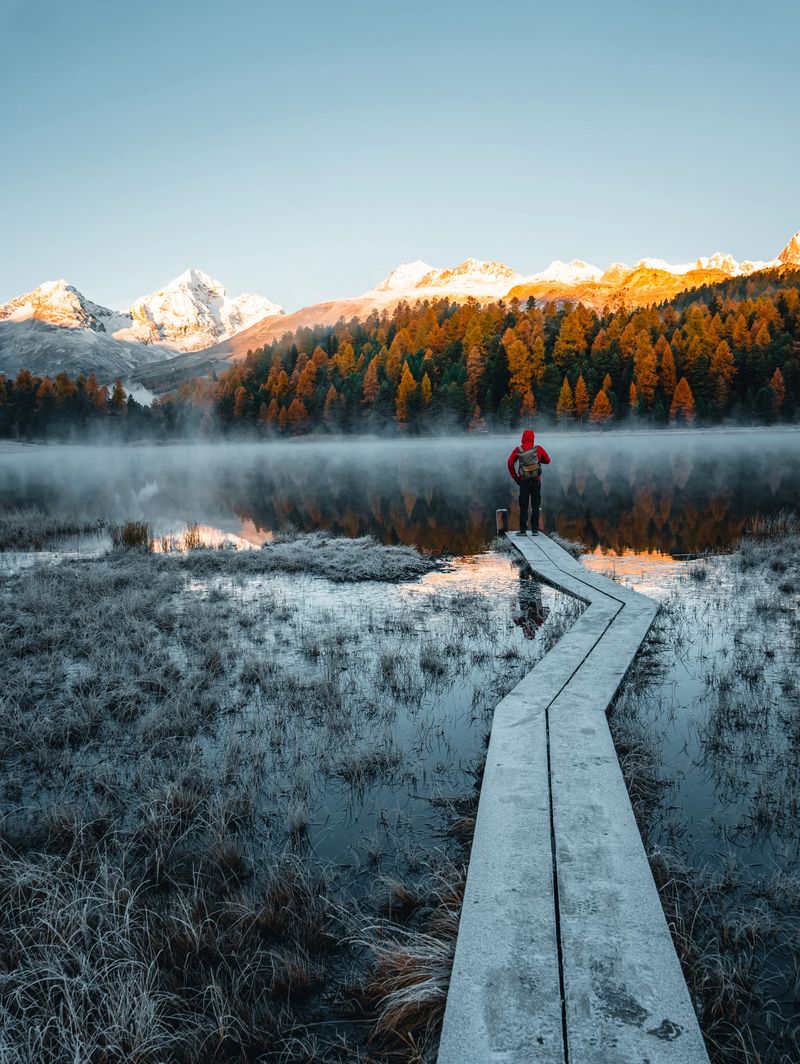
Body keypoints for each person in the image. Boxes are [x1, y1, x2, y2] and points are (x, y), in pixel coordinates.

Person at [507, 428, 551, 536]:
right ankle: (535, 530)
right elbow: (548, 460)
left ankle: (523, 530)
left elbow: (509, 463)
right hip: (536, 481)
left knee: (524, 506)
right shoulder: (538, 449)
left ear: (523, 438)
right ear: (533, 438)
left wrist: (516, 478)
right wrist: (539, 460)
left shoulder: (518, 449)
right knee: (535, 505)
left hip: (524, 481)